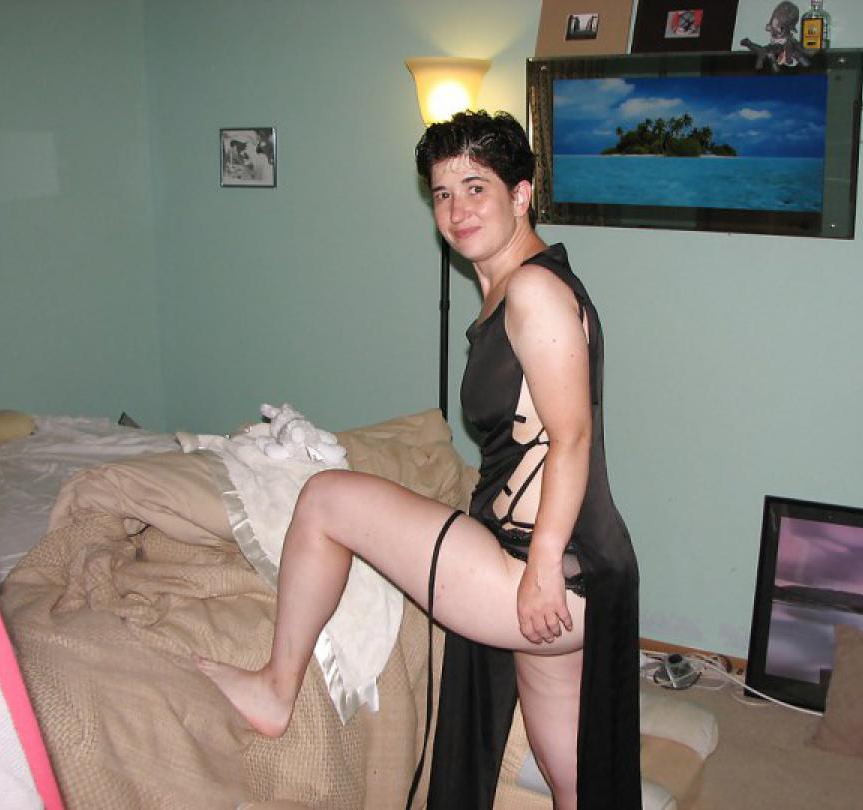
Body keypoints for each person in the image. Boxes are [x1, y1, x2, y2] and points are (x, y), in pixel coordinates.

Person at [196, 110, 641, 810]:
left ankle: (275, 690)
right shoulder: (513, 285)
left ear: (521, 194)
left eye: (476, 188)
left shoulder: (534, 291)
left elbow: (572, 437)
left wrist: (542, 569)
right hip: (566, 567)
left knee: (326, 499)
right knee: (574, 781)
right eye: (442, 193)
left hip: (542, 568)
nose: (457, 211)